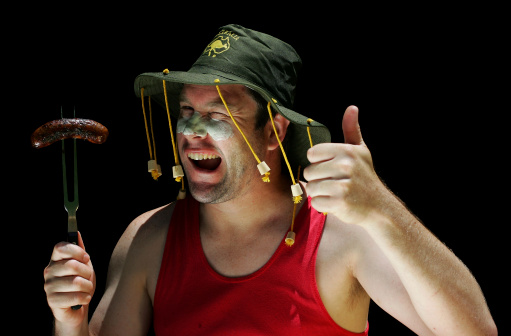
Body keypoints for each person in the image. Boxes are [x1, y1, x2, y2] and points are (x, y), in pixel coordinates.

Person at [43, 24, 497, 335]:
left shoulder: (340, 237)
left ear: (273, 131)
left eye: (218, 112)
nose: (192, 131)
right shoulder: (148, 238)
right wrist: (68, 320)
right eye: (186, 112)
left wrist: (382, 208)